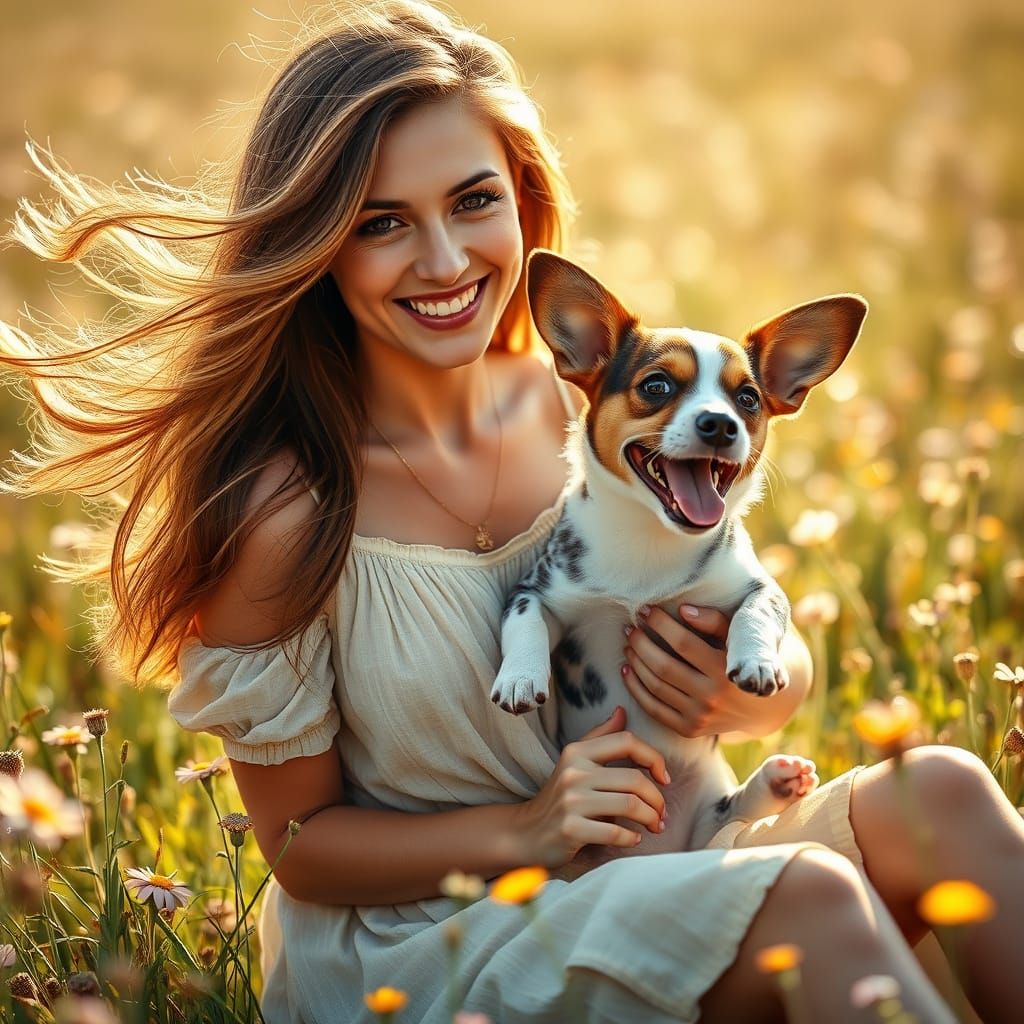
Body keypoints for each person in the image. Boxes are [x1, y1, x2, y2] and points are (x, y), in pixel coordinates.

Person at [3, 2, 1022, 1021]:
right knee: (810, 896)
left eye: (472, 201)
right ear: (318, 245)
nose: (445, 262)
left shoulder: (603, 416)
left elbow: (757, 629)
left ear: (524, 202)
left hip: (666, 853)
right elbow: (301, 846)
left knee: (941, 789)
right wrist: (526, 828)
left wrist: (749, 690)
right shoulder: (285, 512)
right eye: (381, 222)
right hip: (439, 936)